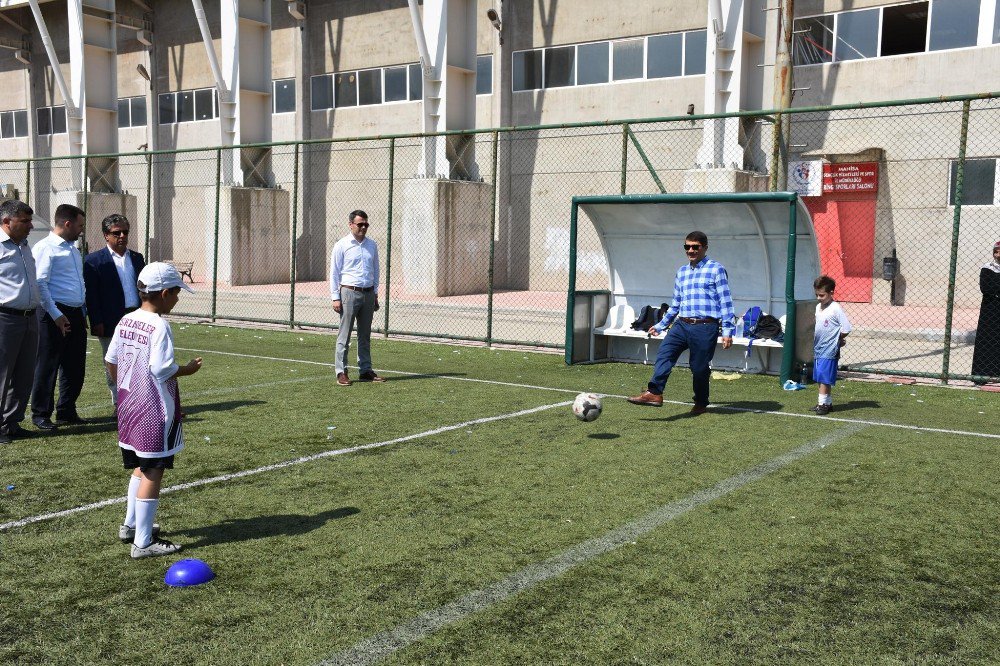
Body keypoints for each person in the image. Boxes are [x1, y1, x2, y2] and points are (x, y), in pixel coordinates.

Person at [105, 262, 202, 559]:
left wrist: (124, 386)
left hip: (128, 406)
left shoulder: (126, 319)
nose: (177, 298)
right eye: (175, 293)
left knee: (140, 466)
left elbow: (111, 360)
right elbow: (161, 369)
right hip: (152, 411)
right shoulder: (160, 325)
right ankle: (143, 543)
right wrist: (186, 370)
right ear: (163, 293)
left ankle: (131, 525)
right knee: (154, 471)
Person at [627, 231, 735, 414]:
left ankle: (701, 402)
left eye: (695, 247)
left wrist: (727, 330)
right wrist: (661, 325)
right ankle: (654, 392)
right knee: (664, 353)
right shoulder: (682, 272)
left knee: (699, 368)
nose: (691, 250)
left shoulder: (716, 269)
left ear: (705, 248)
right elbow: (676, 303)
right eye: (687, 247)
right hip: (681, 325)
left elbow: (725, 301)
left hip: (705, 326)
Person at [30, 203, 88, 431]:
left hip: (74, 313)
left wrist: (80, 310)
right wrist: (56, 314)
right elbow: (40, 284)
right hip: (53, 314)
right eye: (80, 225)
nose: (81, 230)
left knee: (75, 366)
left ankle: (66, 410)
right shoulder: (46, 247)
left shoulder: (72, 249)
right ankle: (41, 414)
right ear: (67, 223)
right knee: (47, 365)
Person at [83, 213, 146, 405]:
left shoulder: (136, 258)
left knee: (140, 361)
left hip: (136, 316)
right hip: (110, 320)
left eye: (125, 232)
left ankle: (140, 400)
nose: (122, 236)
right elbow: (92, 295)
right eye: (116, 232)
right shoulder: (94, 261)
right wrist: (97, 322)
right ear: (106, 235)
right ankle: (119, 403)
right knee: (113, 363)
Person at [0, 200, 41, 445]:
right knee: (2, 375)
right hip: (5, 318)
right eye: (24, 221)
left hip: (29, 317)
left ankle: (12, 422)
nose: (30, 225)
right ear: (6, 222)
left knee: (24, 375)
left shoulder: (25, 245)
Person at [330, 209, 385, 386]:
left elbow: (376, 270)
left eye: (366, 224)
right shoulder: (342, 245)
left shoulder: (372, 245)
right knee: (344, 334)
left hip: (368, 293)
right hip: (349, 292)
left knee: (365, 334)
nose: (363, 227)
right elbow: (335, 273)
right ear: (351, 224)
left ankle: (365, 370)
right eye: (360, 224)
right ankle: (341, 371)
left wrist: (375, 293)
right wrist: (335, 297)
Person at [810, 274, 851, 415]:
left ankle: (823, 405)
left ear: (831, 293)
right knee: (819, 376)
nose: (818, 298)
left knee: (824, 377)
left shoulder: (835, 308)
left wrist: (837, 339)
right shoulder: (818, 307)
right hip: (819, 347)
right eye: (816, 295)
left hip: (829, 349)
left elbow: (846, 328)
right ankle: (826, 403)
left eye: (821, 295)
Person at [971, 241, 1000, 382]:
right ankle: (982, 374)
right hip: (989, 309)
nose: (998, 253)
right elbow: (986, 288)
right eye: (996, 251)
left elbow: (993, 287)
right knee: (986, 339)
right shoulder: (987, 268)